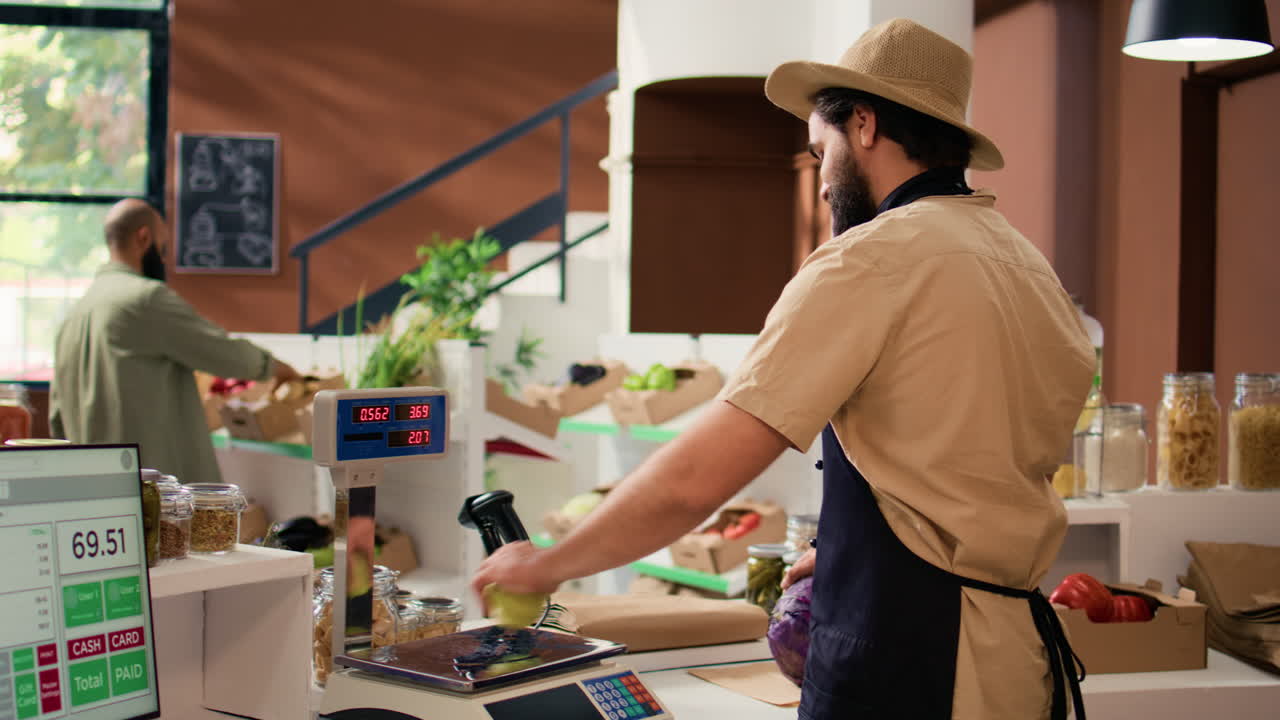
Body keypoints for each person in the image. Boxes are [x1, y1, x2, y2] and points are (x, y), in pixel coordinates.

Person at [472, 18, 1093, 720]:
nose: (823, 182)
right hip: (1015, 663)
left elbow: (698, 479)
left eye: (818, 150)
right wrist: (853, 550)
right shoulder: (1027, 266)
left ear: (863, 124)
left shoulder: (871, 259)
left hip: (910, 659)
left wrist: (546, 563)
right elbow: (966, 457)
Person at [50, 198, 298, 485]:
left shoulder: (74, 316)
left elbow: (57, 420)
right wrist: (277, 368)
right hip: (153, 497)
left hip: (93, 493)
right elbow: (223, 353)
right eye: (164, 247)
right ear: (144, 237)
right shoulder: (145, 299)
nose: (165, 259)